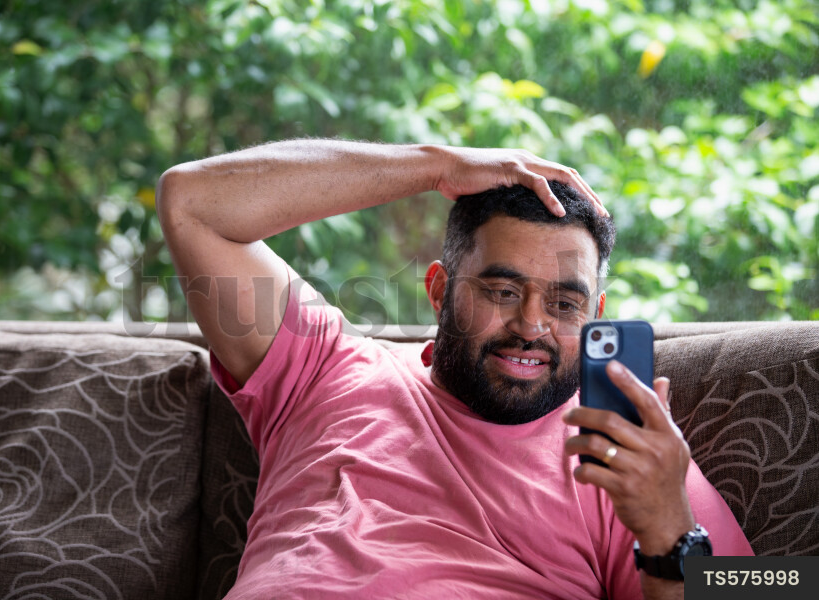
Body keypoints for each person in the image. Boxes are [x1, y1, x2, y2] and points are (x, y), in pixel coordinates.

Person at [157, 139, 752, 600]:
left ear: (596, 314)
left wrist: (670, 529)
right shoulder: (322, 367)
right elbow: (192, 201)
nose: (532, 325)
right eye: (501, 290)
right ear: (440, 291)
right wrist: (436, 166)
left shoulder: (622, 450)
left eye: (565, 304)